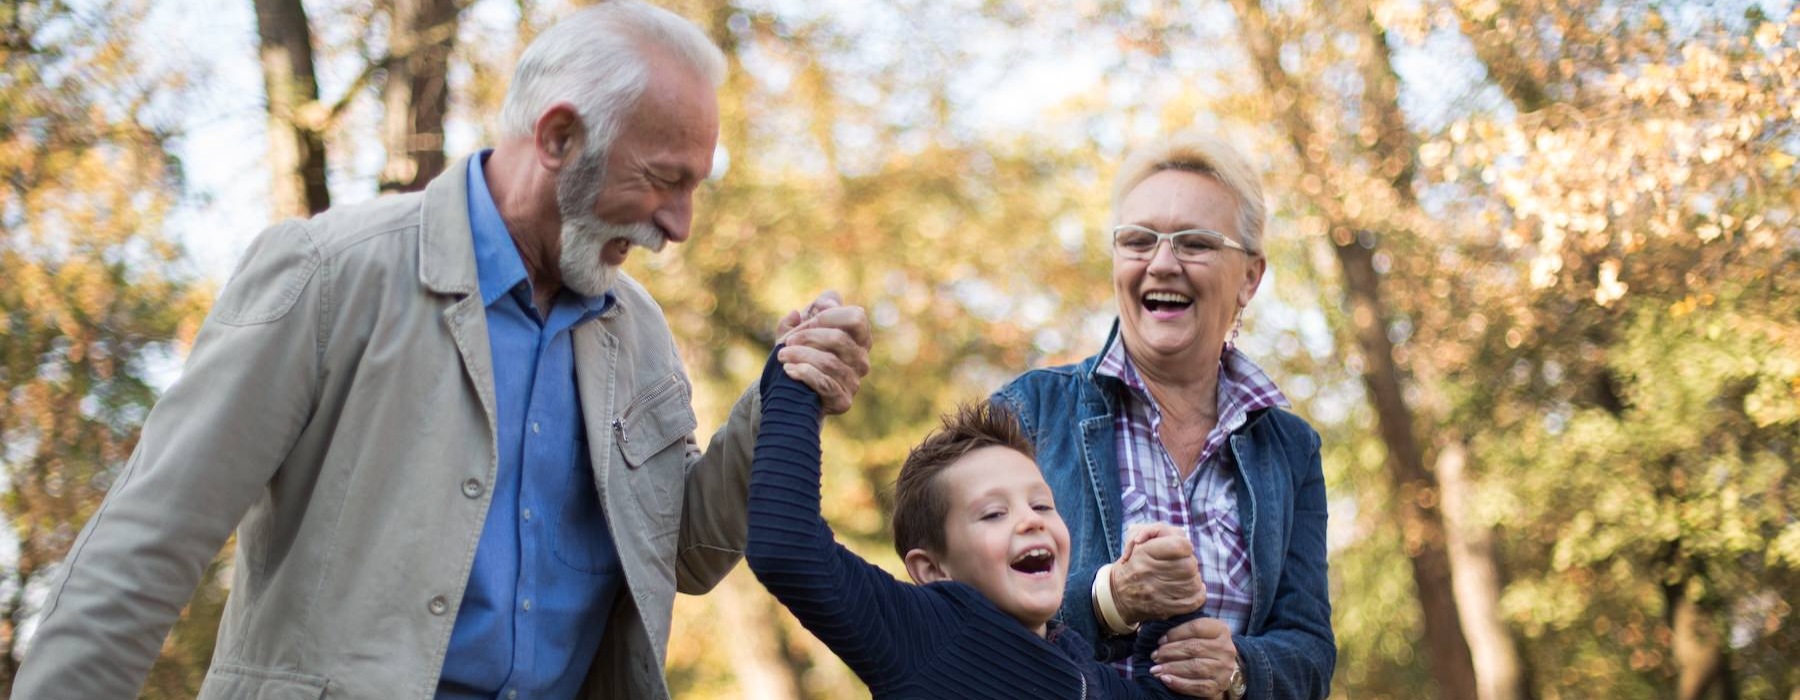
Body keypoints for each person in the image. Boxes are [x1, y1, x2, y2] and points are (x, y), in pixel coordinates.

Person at [12, 3, 872, 699]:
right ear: (559, 137)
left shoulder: (635, 332)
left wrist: (778, 401)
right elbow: (146, 543)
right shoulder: (328, 274)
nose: (679, 226)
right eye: (663, 179)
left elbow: (678, 556)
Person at [992, 132, 1334, 700]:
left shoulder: (1290, 449)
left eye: (1196, 243)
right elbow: (958, 617)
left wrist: (1240, 667)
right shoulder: (1029, 414)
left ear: (1249, 277)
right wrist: (1110, 601)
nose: (1163, 263)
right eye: (1138, 240)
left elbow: (1310, 649)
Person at [746, 347, 1200, 698]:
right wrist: (799, 379)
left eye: (1042, 506)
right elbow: (787, 549)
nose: (1029, 522)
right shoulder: (926, 633)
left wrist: (1171, 605)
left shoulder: (1078, 666)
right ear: (932, 569)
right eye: (993, 513)